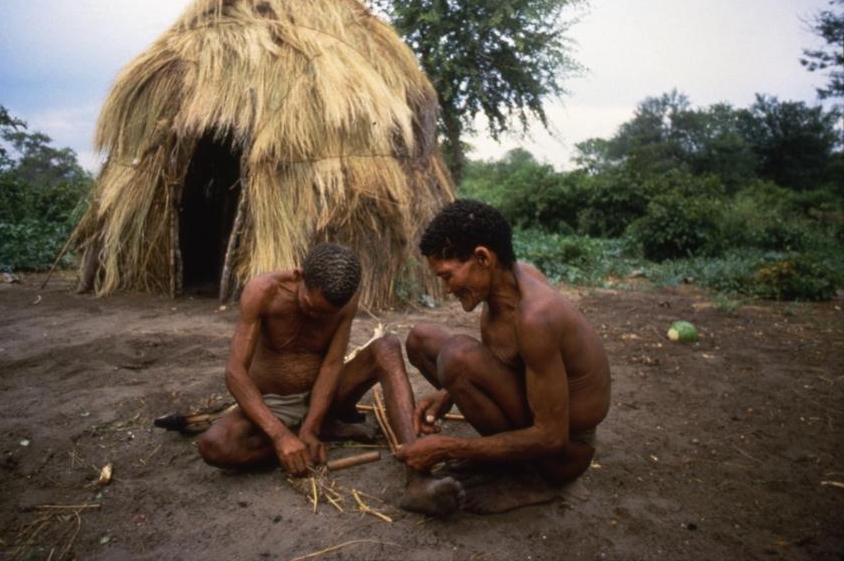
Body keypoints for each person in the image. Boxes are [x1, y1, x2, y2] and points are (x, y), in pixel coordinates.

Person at [198, 243, 462, 516]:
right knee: (216, 446)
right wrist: (280, 436)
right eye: (309, 307)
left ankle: (418, 478)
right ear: (299, 276)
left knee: (387, 347)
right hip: (272, 403)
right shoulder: (263, 291)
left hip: (325, 397)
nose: (315, 317)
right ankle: (302, 439)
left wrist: (311, 425)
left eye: (325, 315)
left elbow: (332, 364)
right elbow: (235, 372)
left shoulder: (345, 300)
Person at [396, 200, 611, 514]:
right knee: (421, 339)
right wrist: (448, 393)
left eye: (447, 277)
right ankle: (508, 462)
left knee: (457, 356)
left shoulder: (535, 316)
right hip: (538, 412)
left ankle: (530, 479)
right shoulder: (509, 279)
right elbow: (511, 362)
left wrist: (453, 448)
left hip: (564, 453)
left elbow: (552, 436)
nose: (445, 290)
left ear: (482, 257)